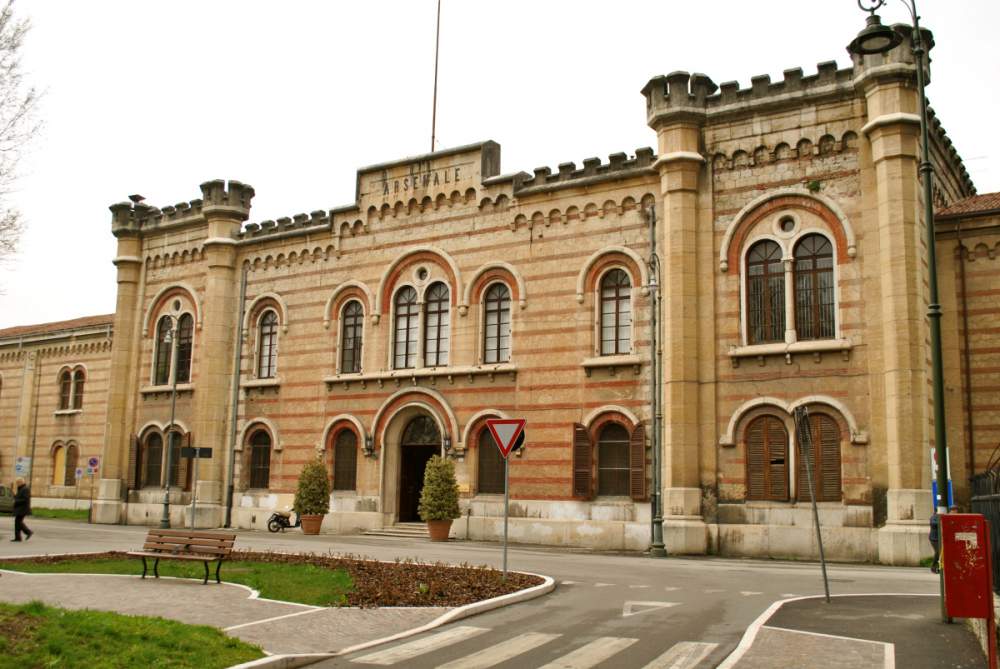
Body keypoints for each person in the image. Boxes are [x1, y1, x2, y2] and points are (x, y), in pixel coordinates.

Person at [12, 478, 32, 542]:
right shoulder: (21, 489)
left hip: (23, 509)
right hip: (20, 508)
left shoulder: (25, 489)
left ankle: (28, 532)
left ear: (20, 482)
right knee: (18, 522)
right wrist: (15, 495)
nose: (16, 484)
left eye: (17, 483)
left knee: (18, 522)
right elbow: (19, 497)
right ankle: (18, 537)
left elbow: (25, 499)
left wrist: (16, 501)